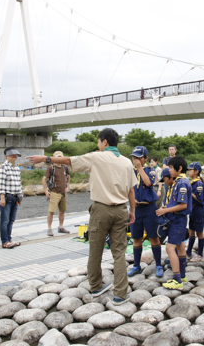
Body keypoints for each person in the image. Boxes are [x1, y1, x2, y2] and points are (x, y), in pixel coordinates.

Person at [26, 128, 137, 306]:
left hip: (101, 210)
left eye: (99, 141)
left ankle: (96, 286)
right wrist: (132, 211)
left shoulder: (96, 157)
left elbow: (70, 160)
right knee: (119, 253)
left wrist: (46, 159)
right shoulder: (126, 162)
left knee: (96, 250)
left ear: (105, 142)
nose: (98, 144)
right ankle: (121, 294)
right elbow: (132, 190)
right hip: (121, 210)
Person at [128, 146, 163, 278]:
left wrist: (140, 168)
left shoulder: (151, 170)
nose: (135, 160)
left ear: (146, 158)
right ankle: (136, 265)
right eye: (134, 157)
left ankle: (158, 265)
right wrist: (131, 201)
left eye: (139, 157)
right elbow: (127, 189)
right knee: (136, 238)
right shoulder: (130, 171)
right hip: (136, 209)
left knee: (153, 237)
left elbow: (148, 183)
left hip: (149, 208)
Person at [156, 156, 191, 289]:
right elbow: (176, 202)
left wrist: (166, 211)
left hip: (178, 220)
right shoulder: (177, 181)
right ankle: (182, 276)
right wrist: (167, 207)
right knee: (181, 246)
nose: (169, 170)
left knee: (170, 248)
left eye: (171, 168)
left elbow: (183, 205)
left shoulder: (182, 183)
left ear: (180, 168)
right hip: (177, 219)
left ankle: (177, 279)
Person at [0, 147, 24, 249]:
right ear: (6, 156)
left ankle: (9, 238)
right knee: (5, 220)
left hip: (15, 197)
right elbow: (0, 184)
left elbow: (19, 184)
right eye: (12, 155)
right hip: (7, 197)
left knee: (11, 220)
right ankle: (5, 241)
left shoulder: (17, 168)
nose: (14, 156)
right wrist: (2, 197)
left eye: (15, 155)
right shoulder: (3, 167)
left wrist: (20, 197)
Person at [42, 151, 71, 236]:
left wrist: (67, 186)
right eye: (58, 157)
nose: (60, 158)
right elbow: (44, 179)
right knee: (51, 211)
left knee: (62, 211)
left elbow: (68, 176)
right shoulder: (51, 168)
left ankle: (61, 227)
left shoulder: (65, 167)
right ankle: (49, 228)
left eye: (61, 157)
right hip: (54, 192)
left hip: (63, 193)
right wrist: (46, 190)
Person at [186, 162, 204, 262]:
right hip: (192, 209)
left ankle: (200, 254)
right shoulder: (192, 182)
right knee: (191, 231)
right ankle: (188, 252)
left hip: (198, 209)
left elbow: (200, 199)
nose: (188, 171)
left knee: (199, 232)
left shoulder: (199, 184)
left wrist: (189, 192)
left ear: (196, 171)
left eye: (190, 170)